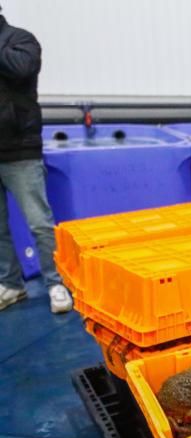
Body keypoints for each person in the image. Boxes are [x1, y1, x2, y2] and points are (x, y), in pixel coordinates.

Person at [0, 8, 72, 313]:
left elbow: (21, 68)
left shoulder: (20, 40)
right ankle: (11, 284)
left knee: (39, 222)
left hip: (19, 149)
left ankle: (55, 283)